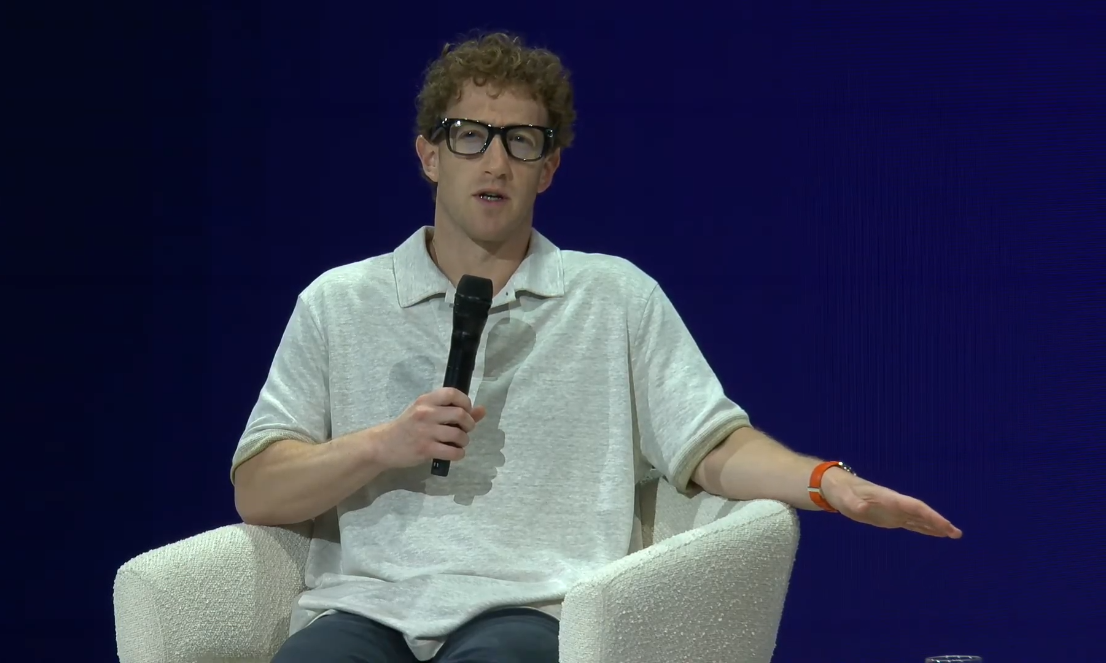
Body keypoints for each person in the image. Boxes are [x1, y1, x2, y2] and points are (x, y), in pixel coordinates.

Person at [230, 30, 962, 663]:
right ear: (430, 155)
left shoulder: (614, 296)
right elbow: (258, 489)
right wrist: (381, 445)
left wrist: (828, 482)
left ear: (547, 168)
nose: (495, 162)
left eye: (521, 141)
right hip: (363, 608)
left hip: (534, 608)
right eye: (470, 135)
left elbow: (710, 446)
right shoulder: (338, 301)